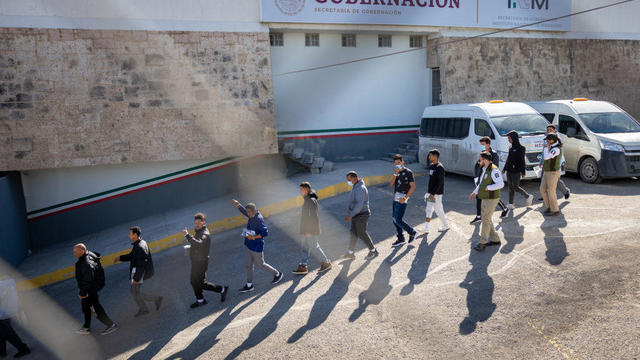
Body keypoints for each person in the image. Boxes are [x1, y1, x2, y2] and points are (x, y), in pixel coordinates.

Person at [232, 200, 283, 292]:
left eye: (249, 212)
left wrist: (253, 237)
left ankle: (278, 274)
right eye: (247, 212)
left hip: (256, 246)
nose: (248, 214)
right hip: (248, 244)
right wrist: (238, 205)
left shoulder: (259, 219)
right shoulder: (251, 214)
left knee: (261, 265)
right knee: (248, 265)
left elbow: (265, 232)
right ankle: (249, 285)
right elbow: (244, 211)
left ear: (255, 210)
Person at [114, 227, 163, 317]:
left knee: (134, 292)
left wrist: (136, 278)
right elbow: (132, 256)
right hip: (139, 271)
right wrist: (120, 258)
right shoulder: (139, 243)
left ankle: (155, 300)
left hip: (140, 272)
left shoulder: (140, 247)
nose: (129, 235)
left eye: (130, 233)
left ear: (135, 235)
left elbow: (141, 264)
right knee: (134, 292)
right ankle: (145, 308)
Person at [182, 213, 228, 308]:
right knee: (193, 281)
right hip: (196, 261)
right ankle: (200, 300)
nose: (196, 224)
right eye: (195, 223)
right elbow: (197, 244)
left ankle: (222, 289)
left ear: (203, 223)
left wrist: (187, 236)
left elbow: (199, 244)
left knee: (202, 284)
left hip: (201, 262)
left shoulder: (205, 234)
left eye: (199, 223)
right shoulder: (199, 230)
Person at [73, 243, 118, 335]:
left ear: (82, 251)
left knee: (95, 308)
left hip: (89, 289)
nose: (74, 254)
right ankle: (86, 327)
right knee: (85, 307)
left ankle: (111, 325)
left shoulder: (85, 263)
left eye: (75, 252)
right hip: (91, 287)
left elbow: (88, 279)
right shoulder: (88, 255)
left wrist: (83, 292)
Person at [292, 182, 332, 275]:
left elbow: (313, 217)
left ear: (306, 189)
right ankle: (303, 266)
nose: (300, 191)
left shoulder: (310, 200)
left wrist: (309, 230)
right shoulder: (307, 199)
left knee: (314, 245)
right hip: (306, 229)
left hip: (310, 230)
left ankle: (326, 262)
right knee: (305, 247)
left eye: (301, 189)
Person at [469, 151, 505, 251]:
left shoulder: (494, 170)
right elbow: (480, 184)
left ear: (485, 160)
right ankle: (495, 239)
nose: (478, 161)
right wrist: (474, 192)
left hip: (492, 198)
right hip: (485, 197)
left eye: (480, 159)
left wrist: (489, 187)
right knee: (487, 219)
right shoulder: (484, 169)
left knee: (485, 219)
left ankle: (483, 242)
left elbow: (501, 184)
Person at [341, 171, 379, 260]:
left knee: (361, 233)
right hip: (356, 214)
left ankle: (373, 251)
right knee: (353, 233)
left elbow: (359, 205)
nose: (348, 182)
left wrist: (350, 215)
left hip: (362, 214)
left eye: (349, 180)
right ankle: (350, 253)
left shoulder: (360, 188)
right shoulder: (355, 186)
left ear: (354, 178)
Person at [389, 154, 417, 247]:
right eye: (396, 163)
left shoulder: (408, 172)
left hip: (403, 197)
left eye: (399, 162)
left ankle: (412, 232)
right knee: (394, 219)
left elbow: (413, 187)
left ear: (403, 162)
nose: (397, 164)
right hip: (396, 197)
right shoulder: (396, 173)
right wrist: (395, 174)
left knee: (398, 219)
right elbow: (391, 184)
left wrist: (405, 198)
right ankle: (401, 238)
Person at [0, 274, 30, 358]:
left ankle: (23, 349)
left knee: (8, 333)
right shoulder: (9, 281)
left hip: (2, 314)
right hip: (9, 310)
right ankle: (2, 351)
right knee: (2, 332)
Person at [503, 131, 534, 209]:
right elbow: (508, 159)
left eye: (509, 138)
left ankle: (528, 196)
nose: (508, 140)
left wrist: (523, 172)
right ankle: (511, 204)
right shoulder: (510, 148)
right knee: (510, 188)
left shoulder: (521, 148)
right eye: (508, 138)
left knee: (516, 187)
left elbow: (522, 161)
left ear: (514, 138)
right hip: (509, 170)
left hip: (516, 171)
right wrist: (504, 169)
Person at [538, 124, 570, 200]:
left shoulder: (557, 139)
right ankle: (544, 195)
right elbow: (544, 151)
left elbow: (559, 153)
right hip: (546, 163)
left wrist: (559, 163)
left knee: (556, 181)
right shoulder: (547, 139)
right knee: (543, 179)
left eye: (550, 129)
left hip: (554, 164)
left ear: (554, 130)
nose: (548, 131)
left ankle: (565, 192)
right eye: (547, 130)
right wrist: (541, 161)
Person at [479, 136, 509, 217]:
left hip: (491, 178)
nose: (482, 146)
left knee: (492, 195)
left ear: (488, 144)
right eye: (481, 144)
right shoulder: (482, 152)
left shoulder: (494, 154)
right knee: (484, 195)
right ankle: (481, 214)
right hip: (484, 176)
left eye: (483, 144)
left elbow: (494, 167)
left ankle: (504, 208)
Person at [424, 149, 449, 233]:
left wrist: (433, 193)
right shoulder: (432, 166)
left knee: (439, 210)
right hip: (430, 193)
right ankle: (426, 228)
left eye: (430, 155)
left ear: (435, 156)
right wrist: (429, 193)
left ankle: (446, 225)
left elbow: (440, 182)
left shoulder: (440, 168)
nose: (429, 157)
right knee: (428, 209)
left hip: (436, 194)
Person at [540, 133, 563, 216]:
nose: (547, 141)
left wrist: (546, 148)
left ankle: (555, 210)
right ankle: (549, 207)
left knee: (551, 191)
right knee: (542, 190)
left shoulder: (556, 149)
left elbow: (546, 157)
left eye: (548, 140)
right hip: (547, 172)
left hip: (553, 172)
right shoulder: (552, 147)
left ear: (553, 140)